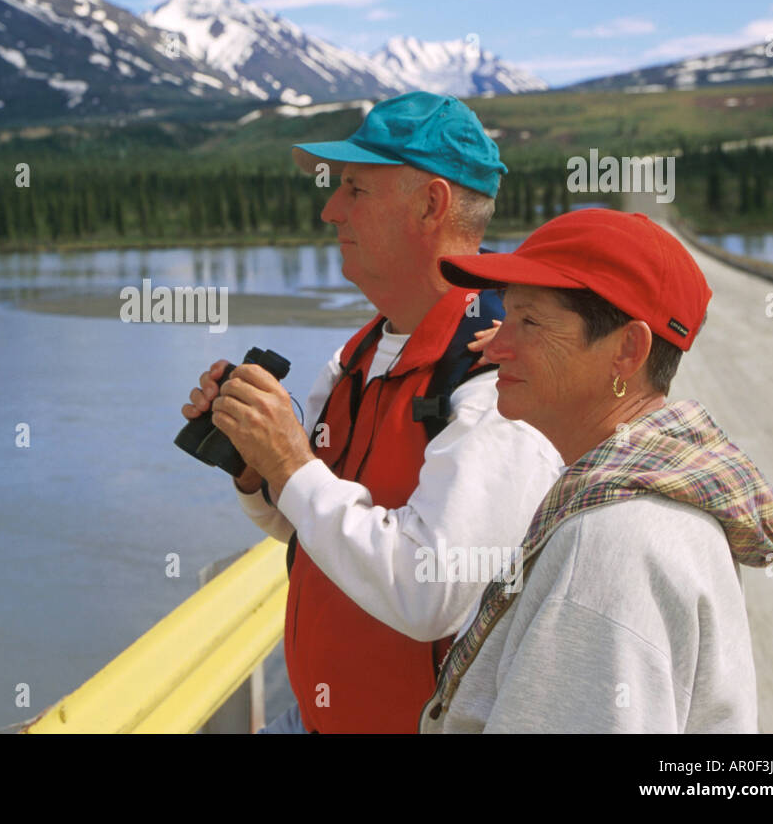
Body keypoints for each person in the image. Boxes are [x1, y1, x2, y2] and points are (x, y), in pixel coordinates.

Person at [181, 92, 563, 733]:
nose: (331, 210)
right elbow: (317, 530)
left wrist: (292, 462)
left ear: (431, 204)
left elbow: (429, 592)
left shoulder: (500, 374)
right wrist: (258, 469)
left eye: (355, 189)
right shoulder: (356, 355)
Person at [419, 208, 773, 733]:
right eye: (504, 315)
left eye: (529, 321)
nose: (494, 346)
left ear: (628, 349)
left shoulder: (608, 545)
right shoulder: (660, 500)